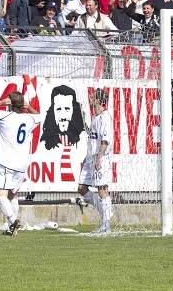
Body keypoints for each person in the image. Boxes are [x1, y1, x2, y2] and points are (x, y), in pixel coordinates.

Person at [0, 91, 40, 236]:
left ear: (9, 103)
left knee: (1, 195)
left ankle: (13, 220)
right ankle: (12, 229)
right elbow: (38, 115)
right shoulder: (29, 118)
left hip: (6, 162)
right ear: (22, 104)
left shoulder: (4, 115)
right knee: (13, 195)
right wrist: (29, 107)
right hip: (21, 164)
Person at [75, 88, 114, 234]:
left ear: (98, 100)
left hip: (100, 158)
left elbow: (105, 139)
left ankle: (106, 224)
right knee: (81, 188)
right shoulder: (95, 117)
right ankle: (106, 213)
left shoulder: (105, 117)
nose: (90, 99)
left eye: (93, 97)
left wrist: (99, 157)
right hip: (89, 159)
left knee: (102, 190)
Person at [40, 84, 84, 150]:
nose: (63, 116)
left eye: (67, 109)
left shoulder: (83, 138)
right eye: (59, 109)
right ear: (53, 111)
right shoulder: (44, 142)